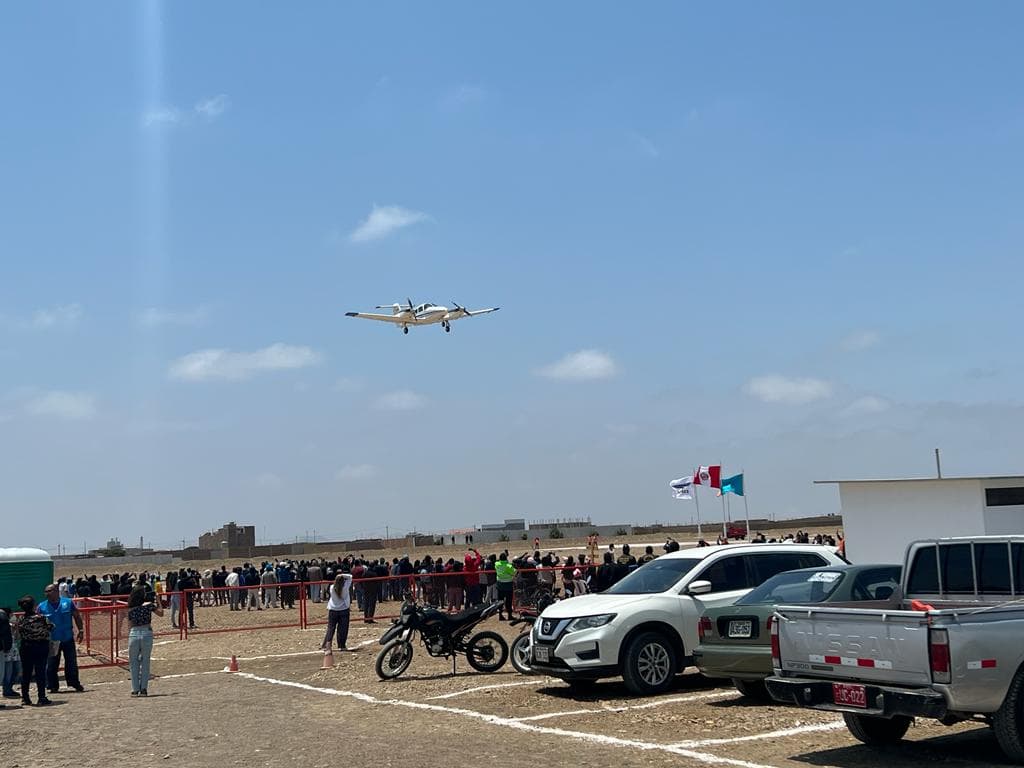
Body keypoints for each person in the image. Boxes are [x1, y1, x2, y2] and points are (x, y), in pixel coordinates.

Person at [38, 582, 84, 693]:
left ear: (57, 591)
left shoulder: (68, 603)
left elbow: (76, 616)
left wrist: (81, 630)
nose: (47, 594)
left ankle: (74, 683)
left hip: (67, 638)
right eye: (46, 592)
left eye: (50, 591)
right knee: (52, 663)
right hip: (52, 640)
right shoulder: (42, 606)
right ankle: (52, 685)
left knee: (71, 662)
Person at [126, 583, 163, 697]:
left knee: (133, 662)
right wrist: (158, 599)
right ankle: (144, 689)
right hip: (146, 632)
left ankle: (135, 688)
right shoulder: (149, 605)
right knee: (145, 661)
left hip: (134, 633)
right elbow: (161, 613)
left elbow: (130, 625)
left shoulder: (131, 609)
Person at [15, 596, 52, 706]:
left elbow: (18, 633)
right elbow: (51, 627)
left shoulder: (21, 619)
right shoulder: (41, 618)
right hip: (40, 646)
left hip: (26, 647)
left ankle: (25, 697)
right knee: (40, 672)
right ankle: (41, 697)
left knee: (26, 673)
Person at [322, 571, 353, 652]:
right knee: (343, 629)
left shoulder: (332, 587)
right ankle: (341, 645)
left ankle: (327, 644)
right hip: (343, 609)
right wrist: (342, 575)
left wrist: (338, 576)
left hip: (333, 609)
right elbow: (350, 577)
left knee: (331, 628)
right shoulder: (345, 587)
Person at [494, 552, 516, 621]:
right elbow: (514, 572)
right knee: (508, 601)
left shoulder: (497, 564)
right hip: (508, 584)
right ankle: (509, 615)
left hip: (500, 584)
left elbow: (497, 562)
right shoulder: (508, 566)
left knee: (500, 600)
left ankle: (500, 615)